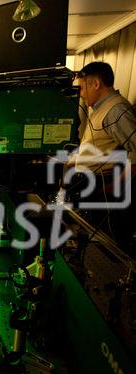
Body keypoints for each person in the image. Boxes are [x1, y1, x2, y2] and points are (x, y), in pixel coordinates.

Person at [66, 61, 136, 252]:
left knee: (105, 248)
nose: (80, 93)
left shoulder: (116, 110)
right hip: (93, 186)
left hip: (105, 190)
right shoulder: (100, 109)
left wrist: (115, 186)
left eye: (81, 88)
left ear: (96, 83)